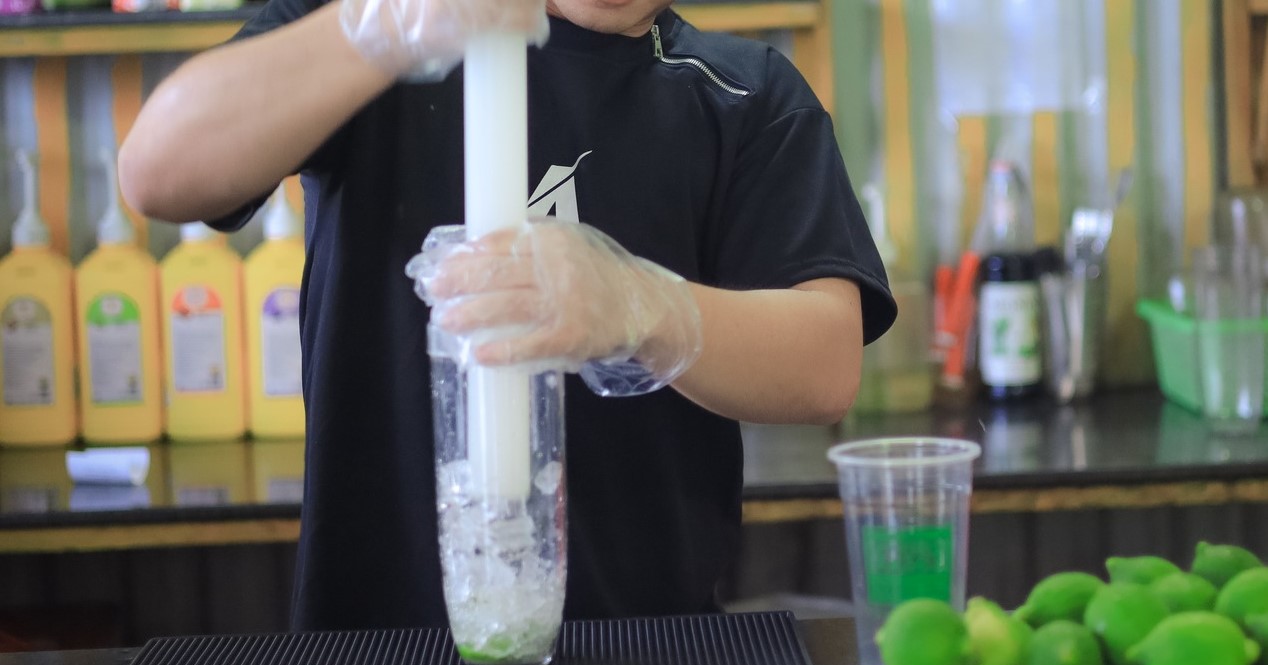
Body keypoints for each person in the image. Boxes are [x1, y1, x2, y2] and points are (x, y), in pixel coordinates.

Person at [119, 0, 896, 630]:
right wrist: (377, 27)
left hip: (648, 647)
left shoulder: (742, 94)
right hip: (369, 655)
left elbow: (824, 366)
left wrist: (645, 305)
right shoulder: (391, 36)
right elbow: (159, 174)